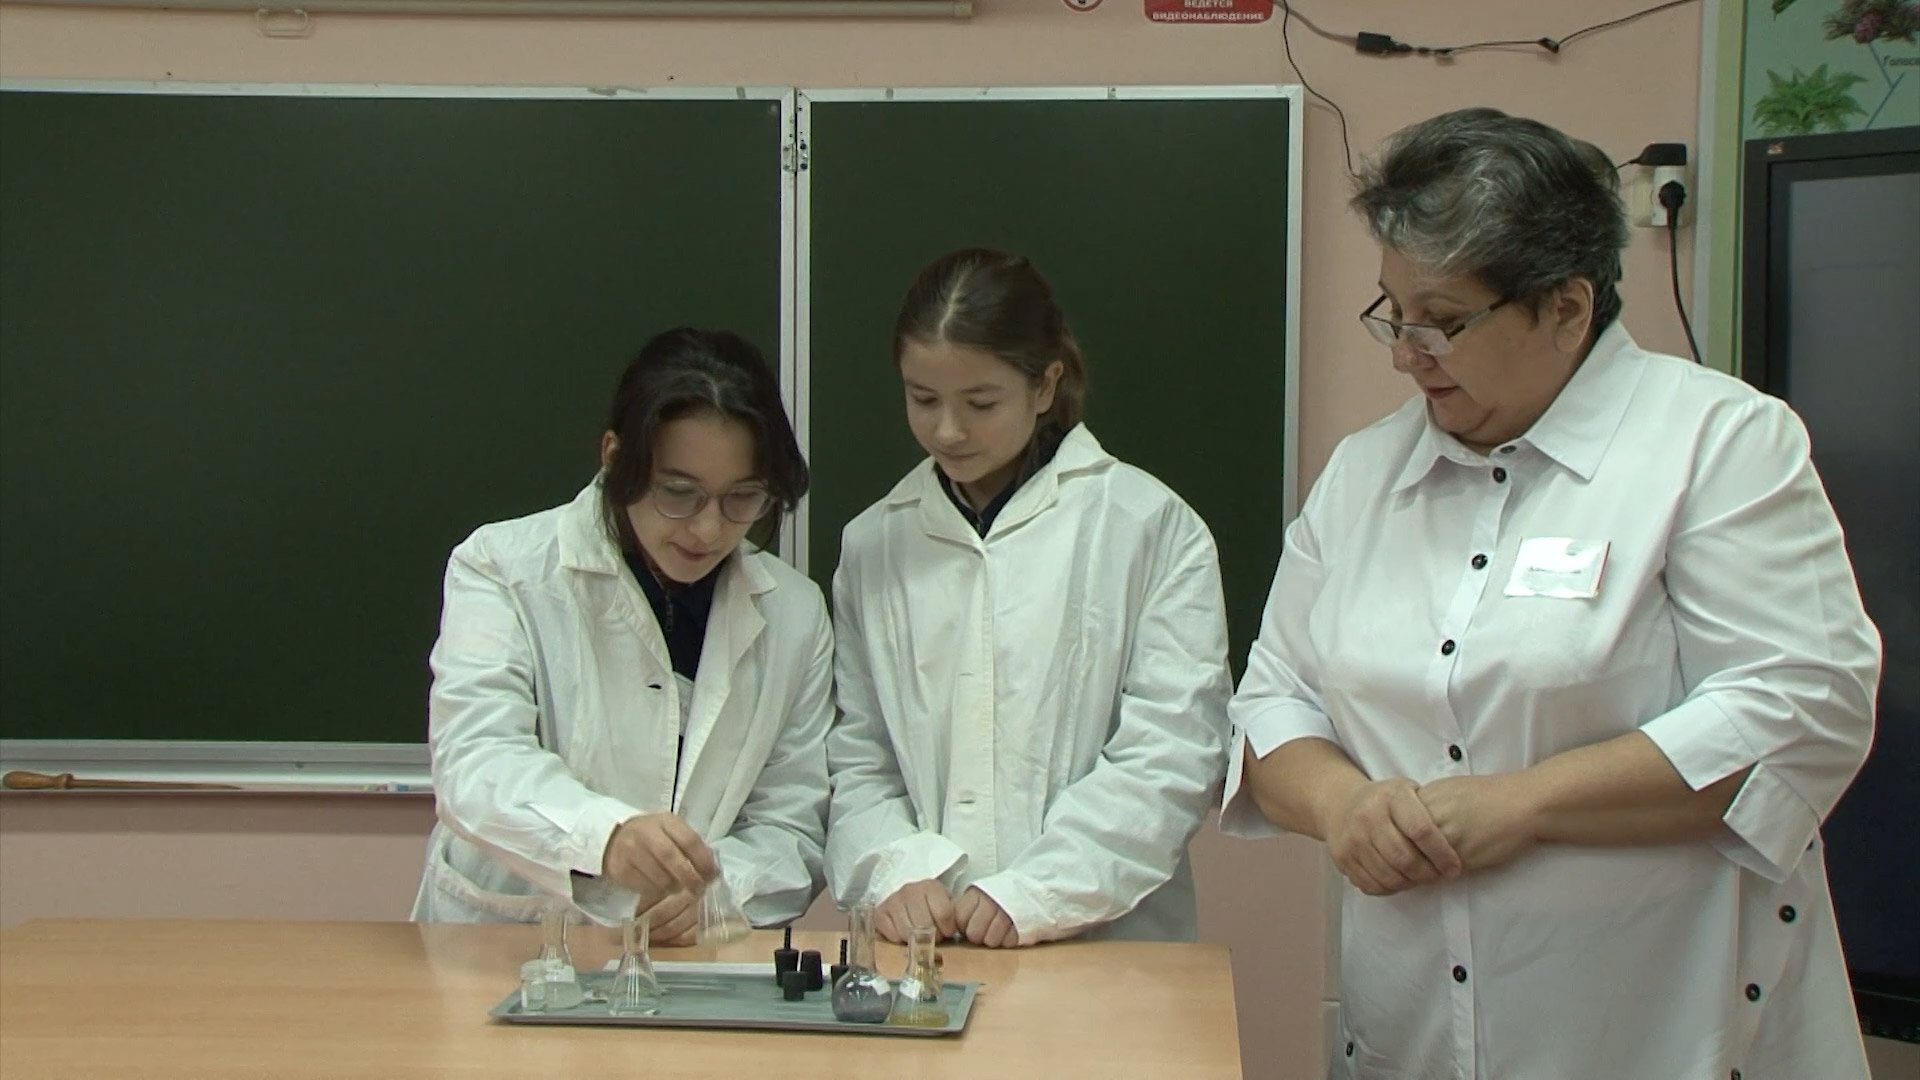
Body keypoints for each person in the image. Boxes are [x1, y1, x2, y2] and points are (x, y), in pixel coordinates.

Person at [1223, 108, 1881, 1079]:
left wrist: (1527, 805)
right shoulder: (1365, 473)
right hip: (1408, 1032)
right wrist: (1342, 805)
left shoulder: (1716, 443)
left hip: (1654, 1039)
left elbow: (1800, 708)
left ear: (1567, 308)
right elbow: (1274, 700)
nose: (1406, 351)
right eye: (1393, 311)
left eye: (1443, 319)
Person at [825, 247, 1232, 948]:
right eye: (923, 399)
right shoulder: (875, 545)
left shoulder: (1149, 527)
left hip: (1106, 943)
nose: (947, 430)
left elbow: (1172, 752)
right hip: (929, 943)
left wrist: (1038, 892)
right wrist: (897, 869)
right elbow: (859, 754)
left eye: (980, 403)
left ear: (1045, 386)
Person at [413, 327, 833, 939]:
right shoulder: (502, 568)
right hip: (502, 940)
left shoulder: (796, 613)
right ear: (615, 459)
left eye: (743, 498)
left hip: (688, 953)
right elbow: (476, 763)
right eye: (678, 493)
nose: (709, 529)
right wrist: (602, 836)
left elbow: (792, 820)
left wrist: (718, 892)